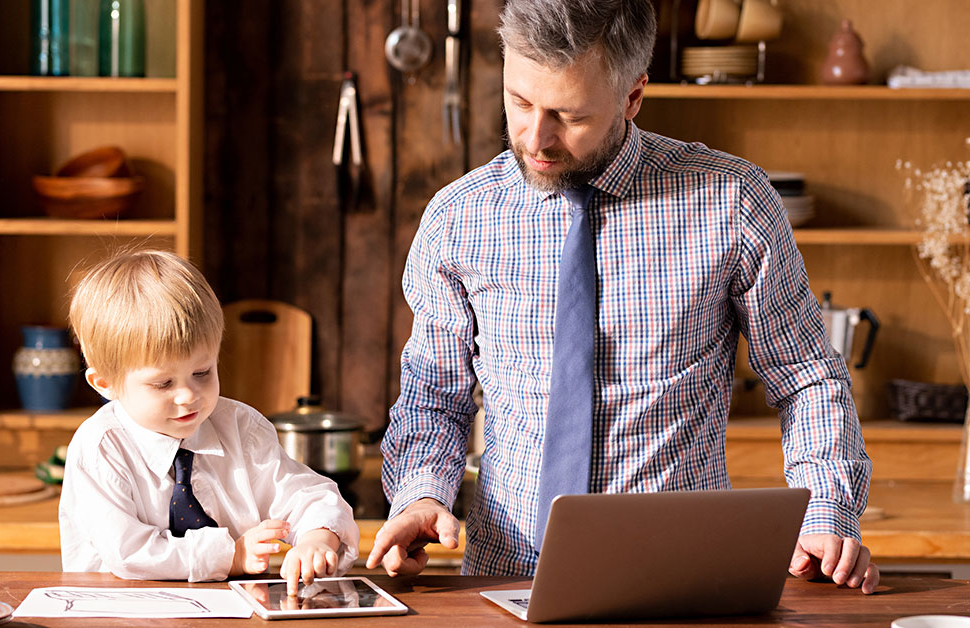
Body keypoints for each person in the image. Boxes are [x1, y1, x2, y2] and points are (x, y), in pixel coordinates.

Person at [367, 0, 879, 595]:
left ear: (633, 97)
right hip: (507, 578)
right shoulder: (460, 219)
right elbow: (434, 394)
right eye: (521, 102)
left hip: (684, 578)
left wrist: (823, 515)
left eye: (569, 115)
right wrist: (421, 494)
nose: (536, 138)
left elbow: (805, 375)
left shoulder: (731, 201)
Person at [60, 249, 359, 590]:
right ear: (106, 384)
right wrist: (230, 556)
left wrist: (317, 539)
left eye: (202, 372)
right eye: (163, 383)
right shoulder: (99, 447)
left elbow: (305, 495)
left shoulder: (241, 428)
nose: (189, 395)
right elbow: (128, 552)